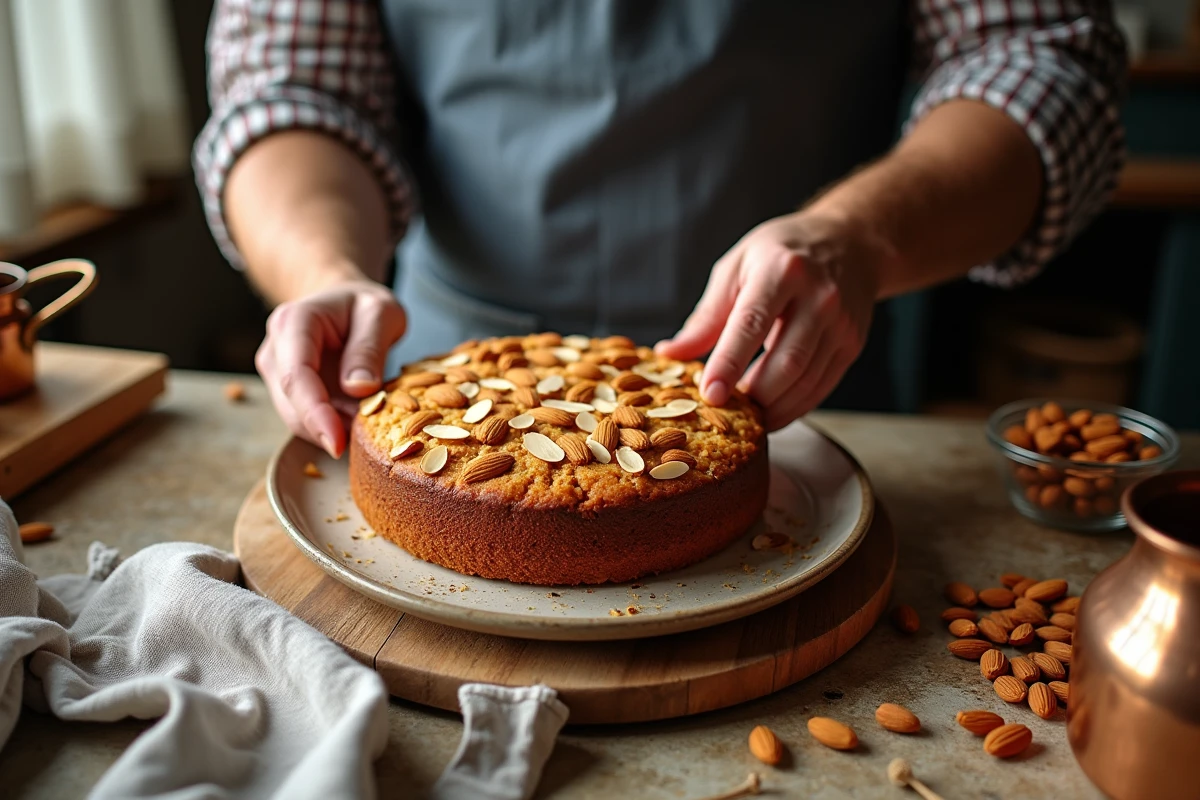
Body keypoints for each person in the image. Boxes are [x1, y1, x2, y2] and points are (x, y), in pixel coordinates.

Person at [195, 1, 1126, 458]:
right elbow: (292, 86)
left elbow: (1037, 53)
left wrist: (858, 234)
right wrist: (322, 264)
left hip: (797, 382)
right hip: (437, 384)